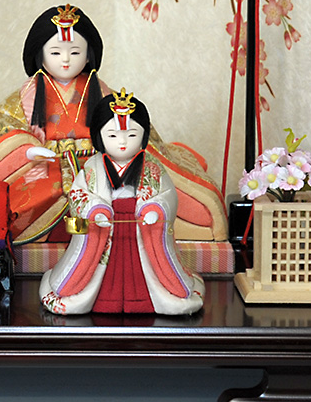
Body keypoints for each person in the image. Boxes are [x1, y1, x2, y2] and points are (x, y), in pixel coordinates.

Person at [0, 3, 226, 245]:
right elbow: (2, 127)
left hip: (97, 161)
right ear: (40, 56)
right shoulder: (29, 93)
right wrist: (26, 150)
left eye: (74, 52)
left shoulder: (100, 91)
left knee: (114, 190)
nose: (66, 60)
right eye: (56, 52)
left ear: (89, 55)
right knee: (36, 196)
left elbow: (130, 126)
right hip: (43, 163)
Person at [40, 90, 204, 316]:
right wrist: (95, 211)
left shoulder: (152, 168)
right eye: (113, 135)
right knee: (105, 277)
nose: (123, 142)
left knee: (142, 272)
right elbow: (78, 195)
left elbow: (168, 196)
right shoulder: (92, 168)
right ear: (99, 137)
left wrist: (155, 210)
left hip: (140, 232)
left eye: (132, 135)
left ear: (144, 136)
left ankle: (143, 301)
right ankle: (104, 300)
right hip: (104, 231)